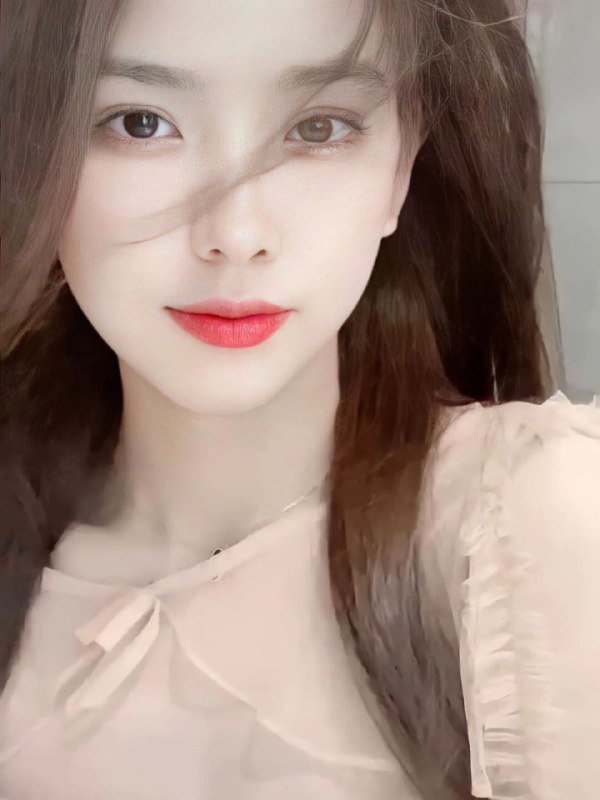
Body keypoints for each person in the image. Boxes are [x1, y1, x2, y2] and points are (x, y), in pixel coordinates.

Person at [0, 0, 598, 798]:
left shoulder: (522, 530)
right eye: (142, 123)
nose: (238, 232)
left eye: (319, 127)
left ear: (401, 168)